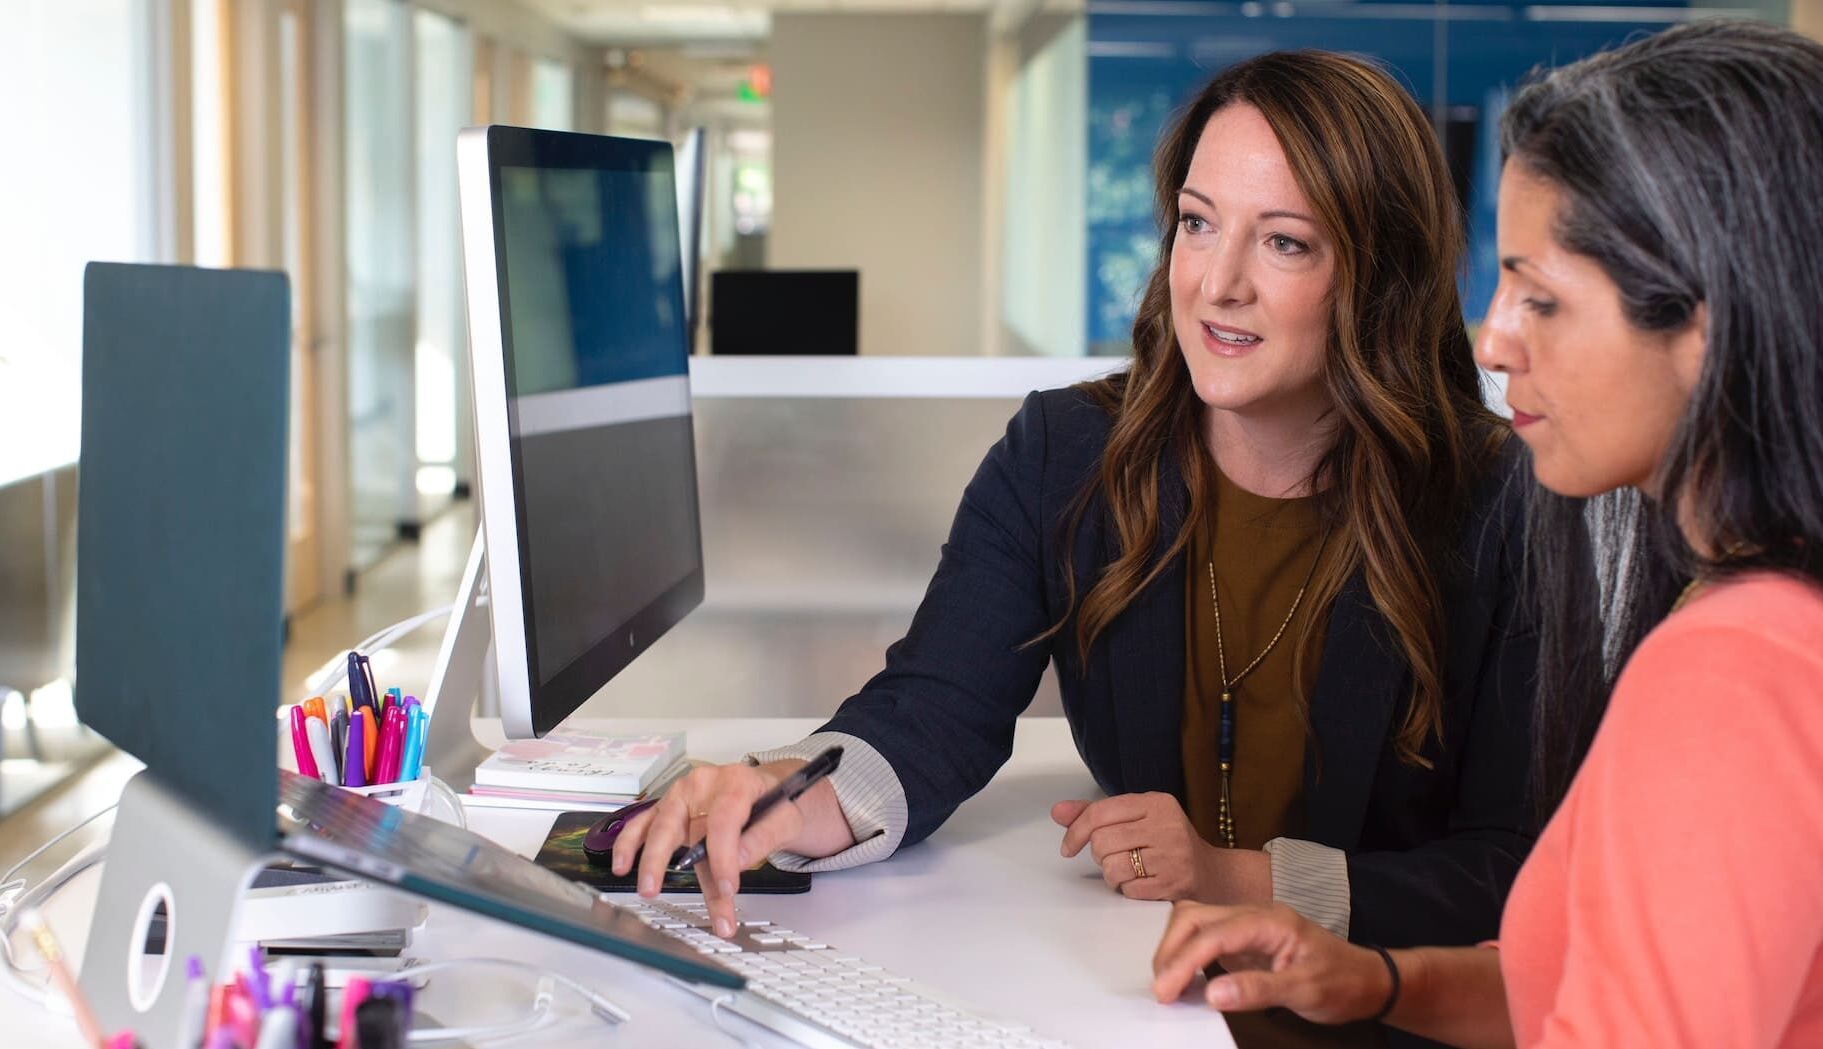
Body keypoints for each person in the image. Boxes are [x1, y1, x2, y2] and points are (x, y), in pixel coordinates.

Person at [618, 49, 1536, 1041]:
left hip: (1389, 1016)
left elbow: (1510, 862)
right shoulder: (1067, 455)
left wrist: (1246, 876)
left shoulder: (1497, 504)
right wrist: (791, 795)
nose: (1217, 283)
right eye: (1197, 223)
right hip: (1147, 1003)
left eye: (1285, 243)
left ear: (1378, 275)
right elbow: (935, 703)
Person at [1149, 19, 1823, 1048]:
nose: (1496, 338)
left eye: (1541, 297)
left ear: (1710, 327)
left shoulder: (1735, 669)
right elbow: (1607, 983)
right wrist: (1374, 979)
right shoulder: (1753, 615)